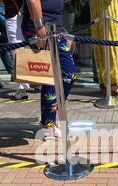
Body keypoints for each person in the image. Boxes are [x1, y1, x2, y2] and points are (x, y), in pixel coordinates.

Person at [23, 0, 76, 139]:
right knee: (53, 76)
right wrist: (39, 26)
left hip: (55, 28)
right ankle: (48, 125)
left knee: (66, 76)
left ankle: (51, 118)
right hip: (42, 28)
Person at [90, 0, 118, 96]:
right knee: (110, 44)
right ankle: (110, 83)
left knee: (111, 43)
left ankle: (107, 83)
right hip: (108, 7)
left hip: (112, 7)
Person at [4, 0, 30, 100]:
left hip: (14, 15)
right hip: (25, 15)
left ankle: (22, 89)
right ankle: (37, 82)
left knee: (18, 52)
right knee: (27, 49)